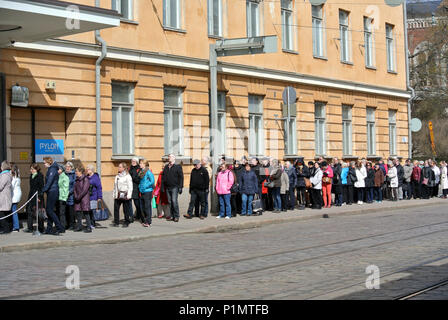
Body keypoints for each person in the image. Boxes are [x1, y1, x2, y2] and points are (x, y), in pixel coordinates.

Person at [42, 157, 65, 235]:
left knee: (49, 210)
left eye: (44, 163)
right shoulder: (51, 169)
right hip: (51, 191)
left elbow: (49, 182)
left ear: (49, 162)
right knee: (49, 211)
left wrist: (43, 190)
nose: (44, 164)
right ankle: (49, 228)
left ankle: (60, 227)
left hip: (53, 191)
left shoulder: (52, 169)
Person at [162, 154, 184, 223]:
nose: (169, 158)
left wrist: (180, 187)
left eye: (170, 157)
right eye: (168, 157)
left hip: (175, 187)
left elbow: (181, 177)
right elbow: (163, 178)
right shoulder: (166, 167)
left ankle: (176, 216)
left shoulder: (177, 167)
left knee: (174, 201)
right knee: (170, 202)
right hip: (167, 187)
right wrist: (162, 187)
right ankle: (172, 216)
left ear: (174, 158)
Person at [24, 163, 44, 233]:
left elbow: (41, 188)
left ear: (36, 169)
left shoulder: (40, 176)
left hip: (38, 196)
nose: (31, 170)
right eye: (30, 169)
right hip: (31, 196)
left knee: (38, 213)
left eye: (32, 169)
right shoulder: (31, 176)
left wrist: (39, 197)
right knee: (29, 211)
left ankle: (41, 228)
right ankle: (30, 228)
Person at [112, 162, 133, 227]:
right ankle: (116, 222)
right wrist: (114, 194)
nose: (118, 168)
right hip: (118, 195)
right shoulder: (117, 176)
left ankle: (127, 222)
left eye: (120, 167)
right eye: (119, 167)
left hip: (125, 194)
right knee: (116, 208)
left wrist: (129, 195)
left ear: (124, 168)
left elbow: (130, 187)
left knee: (126, 209)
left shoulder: (128, 176)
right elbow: (115, 186)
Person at [73, 166, 92, 233]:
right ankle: (79, 226)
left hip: (84, 198)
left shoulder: (85, 179)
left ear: (80, 172)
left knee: (86, 213)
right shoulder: (77, 179)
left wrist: (79, 196)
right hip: (78, 198)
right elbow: (74, 189)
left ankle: (89, 227)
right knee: (78, 213)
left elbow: (84, 190)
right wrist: (76, 196)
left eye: (76, 171)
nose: (75, 172)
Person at [139, 160, 155, 227]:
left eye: (141, 163)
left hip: (148, 191)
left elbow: (152, 181)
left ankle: (148, 221)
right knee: (142, 207)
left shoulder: (148, 172)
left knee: (147, 207)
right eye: (140, 163)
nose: (140, 164)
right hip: (142, 191)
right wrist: (140, 187)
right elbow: (141, 181)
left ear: (145, 164)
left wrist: (145, 186)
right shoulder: (141, 172)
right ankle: (145, 220)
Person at [86, 164, 103, 229]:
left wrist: (99, 197)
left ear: (92, 170)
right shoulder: (86, 177)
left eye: (88, 169)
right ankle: (90, 223)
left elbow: (99, 188)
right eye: (87, 169)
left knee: (92, 210)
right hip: (87, 197)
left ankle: (92, 223)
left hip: (93, 197)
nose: (87, 170)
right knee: (88, 210)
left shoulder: (95, 178)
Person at [0, 161, 13, 234]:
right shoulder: (7, 174)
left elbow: (0, 186)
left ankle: (5, 229)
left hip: (3, 196)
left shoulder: (5, 175)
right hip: (5, 195)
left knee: (2, 213)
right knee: (5, 213)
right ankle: (6, 228)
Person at [129, 157, 142, 223]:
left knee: (137, 204)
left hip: (136, 188)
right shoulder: (129, 168)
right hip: (129, 188)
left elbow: (139, 179)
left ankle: (139, 215)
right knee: (129, 203)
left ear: (137, 162)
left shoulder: (139, 169)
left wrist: (133, 178)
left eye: (134, 161)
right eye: (132, 161)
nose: (133, 162)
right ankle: (131, 217)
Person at [57, 165, 69, 231]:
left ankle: (62, 226)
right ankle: (59, 225)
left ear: (62, 170)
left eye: (58, 169)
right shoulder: (58, 177)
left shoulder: (65, 177)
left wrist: (64, 197)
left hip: (62, 197)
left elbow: (66, 188)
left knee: (62, 213)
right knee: (59, 212)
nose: (57, 170)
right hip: (58, 197)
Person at [65, 162, 76, 230]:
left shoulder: (73, 174)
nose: (67, 168)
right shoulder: (64, 174)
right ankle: (67, 224)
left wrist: (69, 192)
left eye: (69, 166)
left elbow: (74, 185)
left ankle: (72, 224)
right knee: (66, 210)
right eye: (66, 166)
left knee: (71, 210)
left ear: (71, 167)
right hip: (64, 195)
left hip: (71, 195)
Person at [11, 164, 22, 232]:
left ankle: (16, 227)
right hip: (17, 195)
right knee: (14, 210)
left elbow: (11, 187)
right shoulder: (17, 177)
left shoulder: (14, 178)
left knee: (14, 211)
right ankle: (15, 225)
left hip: (14, 196)